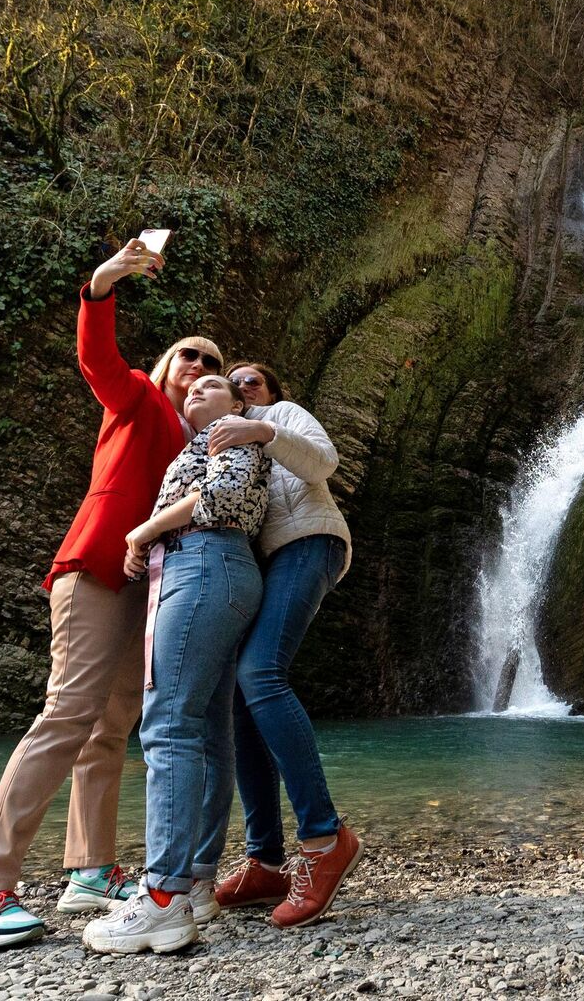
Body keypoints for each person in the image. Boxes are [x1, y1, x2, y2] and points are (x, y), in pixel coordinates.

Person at [0, 240, 223, 950]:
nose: (199, 367)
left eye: (213, 364)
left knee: (111, 728)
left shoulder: (200, 451)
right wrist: (102, 284)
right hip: (96, 569)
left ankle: (91, 871)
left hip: (148, 590)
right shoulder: (135, 397)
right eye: (189, 354)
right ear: (165, 368)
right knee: (67, 714)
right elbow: (96, 358)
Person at [83, 374, 271, 955]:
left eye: (214, 384)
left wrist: (143, 531)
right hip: (215, 568)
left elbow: (220, 497)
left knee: (167, 726)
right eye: (191, 388)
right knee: (209, 732)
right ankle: (193, 883)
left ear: (238, 404)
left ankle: (162, 898)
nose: (198, 390)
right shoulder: (206, 438)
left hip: (203, 564)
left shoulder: (229, 433)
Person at [205, 363, 360, 928]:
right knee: (242, 699)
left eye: (254, 381)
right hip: (259, 564)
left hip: (307, 542)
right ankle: (265, 859)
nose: (243, 386)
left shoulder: (281, 418)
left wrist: (263, 430)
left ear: (272, 394)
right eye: (235, 380)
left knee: (261, 674)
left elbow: (324, 463)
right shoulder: (213, 441)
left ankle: (324, 838)